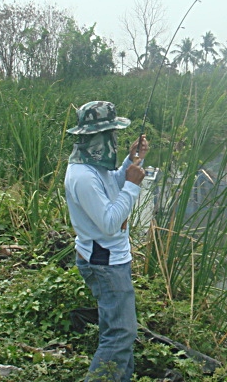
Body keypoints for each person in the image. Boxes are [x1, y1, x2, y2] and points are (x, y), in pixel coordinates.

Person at [64, 100, 149, 382]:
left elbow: (110, 182)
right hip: (105, 264)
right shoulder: (82, 176)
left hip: (111, 261)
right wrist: (133, 186)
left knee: (119, 331)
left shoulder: (90, 166)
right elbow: (111, 223)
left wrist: (130, 162)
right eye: (111, 133)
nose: (114, 138)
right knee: (120, 335)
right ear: (96, 137)